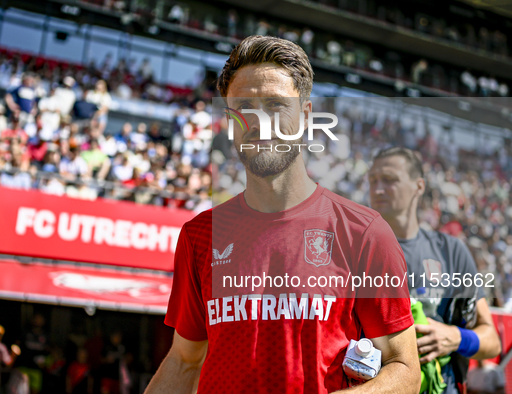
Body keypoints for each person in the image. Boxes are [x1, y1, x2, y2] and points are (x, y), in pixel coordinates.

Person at [144, 35, 420, 393]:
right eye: (244, 107)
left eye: (276, 105)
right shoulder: (200, 235)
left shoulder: (363, 233)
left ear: (305, 116)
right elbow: (184, 359)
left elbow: (404, 369)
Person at [368, 147, 501, 394]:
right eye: (373, 180)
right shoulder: (354, 252)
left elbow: (492, 340)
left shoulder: (451, 251)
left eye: (389, 180)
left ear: (419, 186)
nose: (377, 189)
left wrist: (456, 337)